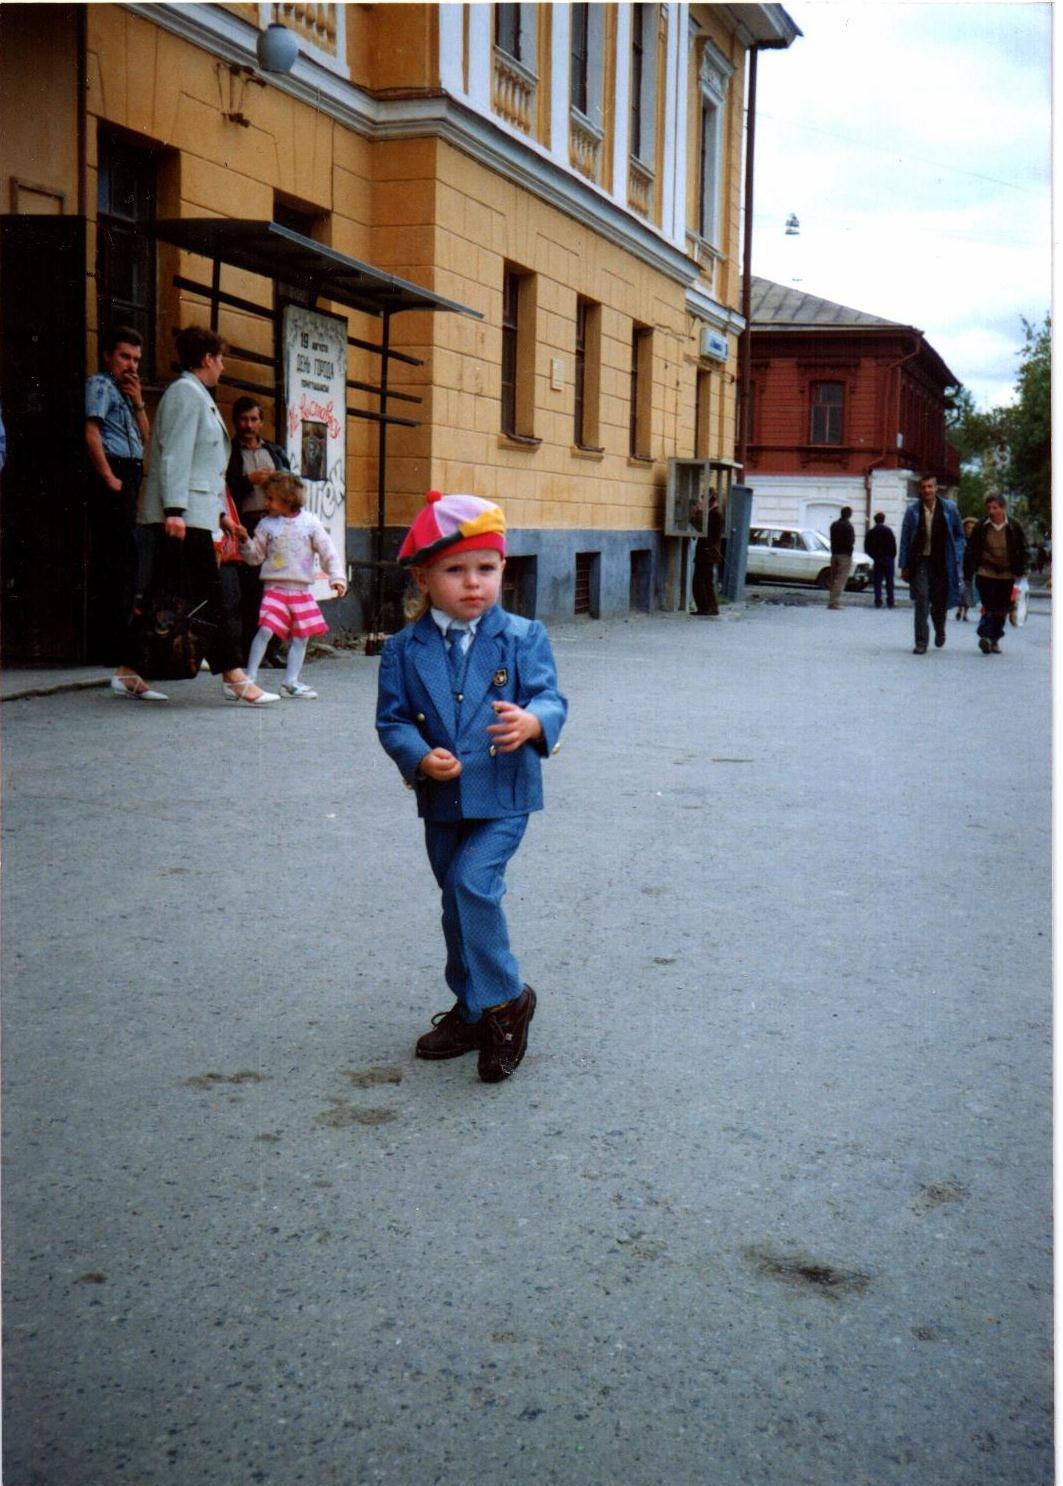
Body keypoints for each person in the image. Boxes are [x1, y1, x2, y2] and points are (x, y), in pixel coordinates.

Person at [375, 490, 567, 1083]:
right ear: (423, 578)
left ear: (503, 569)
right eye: (455, 570)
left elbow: (550, 698)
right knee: (455, 902)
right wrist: (418, 756)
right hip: (442, 800)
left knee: (472, 884)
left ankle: (507, 1002)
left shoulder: (523, 636)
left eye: (486, 568)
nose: (473, 583)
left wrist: (533, 722)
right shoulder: (403, 649)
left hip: (504, 796)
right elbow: (393, 720)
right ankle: (472, 1007)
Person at [113, 324, 278, 705]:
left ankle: (127, 670)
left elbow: (203, 466)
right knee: (211, 595)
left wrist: (219, 514)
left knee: (163, 593)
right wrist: (175, 510)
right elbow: (175, 455)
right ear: (207, 358)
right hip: (183, 516)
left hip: (195, 513)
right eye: (220, 359)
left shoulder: (195, 394)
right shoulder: (186, 394)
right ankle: (234, 675)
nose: (222, 366)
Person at [239, 471, 347, 698]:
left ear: (287, 500)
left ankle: (291, 681)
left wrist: (337, 577)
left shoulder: (310, 523)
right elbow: (255, 557)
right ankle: (249, 678)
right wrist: (245, 541)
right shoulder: (266, 525)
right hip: (274, 588)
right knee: (266, 629)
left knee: (301, 636)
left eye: (270, 498)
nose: (266, 503)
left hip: (301, 590)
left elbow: (328, 551)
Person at [85, 326, 151, 664]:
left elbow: (146, 437)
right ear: (108, 355)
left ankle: (118, 639)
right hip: (114, 471)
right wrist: (108, 476)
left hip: (131, 471)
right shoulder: (100, 385)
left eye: (136, 359)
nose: (132, 365)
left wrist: (138, 402)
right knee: (116, 557)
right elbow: (91, 431)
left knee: (127, 556)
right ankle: (107, 644)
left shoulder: (126, 392)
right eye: (125, 357)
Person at [225, 396, 291, 661]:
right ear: (235, 421)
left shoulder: (274, 451)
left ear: (261, 422)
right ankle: (251, 650)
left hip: (276, 524)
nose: (249, 425)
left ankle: (272, 650)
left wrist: (278, 481)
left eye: (254, 419)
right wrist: (248, 480)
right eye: (244, 419)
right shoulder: (230, 452)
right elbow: (223, 488)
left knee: (277, 589)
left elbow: (291, 484)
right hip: (247, 525)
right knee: (252, 591)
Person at [898, 474, 964, 655]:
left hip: (942, 562)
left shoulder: (949, 508)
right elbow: (905, 539)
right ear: (920, 490)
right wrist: (904, 565)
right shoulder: (913, 511)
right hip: (920, 562)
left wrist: (957, 554)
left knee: (939, 603)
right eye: (924, 487)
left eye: (930, 486)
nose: (927, 490)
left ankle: (940, 628)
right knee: (922, 601)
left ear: (936, 488)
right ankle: (921, 642)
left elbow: (959, 535)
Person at [963, 493, 1028, 655]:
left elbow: (1023, 548)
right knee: (989, 605)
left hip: (1007, 573)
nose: (991, 511)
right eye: (989, 508)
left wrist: (1023, 569)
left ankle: (995, 639)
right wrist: (968, 573)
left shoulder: (1013, 526)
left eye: (995, 508)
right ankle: (985, 635)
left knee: (1002, 608)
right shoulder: (982, 526)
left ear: (1003, 508)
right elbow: (971, 550)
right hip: (986, 571)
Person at [692, 490, 723, 616]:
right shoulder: (713, 513)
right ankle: (711, 607)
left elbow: (703, 528)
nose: (702, 501)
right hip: (708, 552)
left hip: (707, 552)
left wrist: (697, 513)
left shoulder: (714, 514)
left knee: (700, 581)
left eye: (703, 498)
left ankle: (704, 607)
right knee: (707, 581)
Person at [864, 511, 897, 609]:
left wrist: (873, 556)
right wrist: (892, 556)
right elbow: (893, 545)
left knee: (877, 581)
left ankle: (878, 600)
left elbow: (867, 546)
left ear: (875, 520)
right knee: (889, 581)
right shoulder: (888, 531)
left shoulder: (871, 532)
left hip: (877, 559)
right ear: (883, 520)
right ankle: (890, 601)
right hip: (888, 558)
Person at [826, 506, 855, 609]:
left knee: (833, 577)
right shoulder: (848, 526)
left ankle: (831, 600)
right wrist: (850, 551)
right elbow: (851, 541)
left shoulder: (834, 525)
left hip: (834, 553)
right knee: (841, 578)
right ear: (849, 515)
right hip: (845, 554)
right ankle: (834, 602)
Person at [956, 516, 979, 620]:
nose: (969, 530)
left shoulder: (976, 541)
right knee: (960, 588)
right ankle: (959, 609)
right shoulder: (960, 539)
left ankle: (965, 612)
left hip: (971, 569)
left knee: (968, 591)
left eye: (972, 528)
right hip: (961, 567)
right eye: (968, 527)